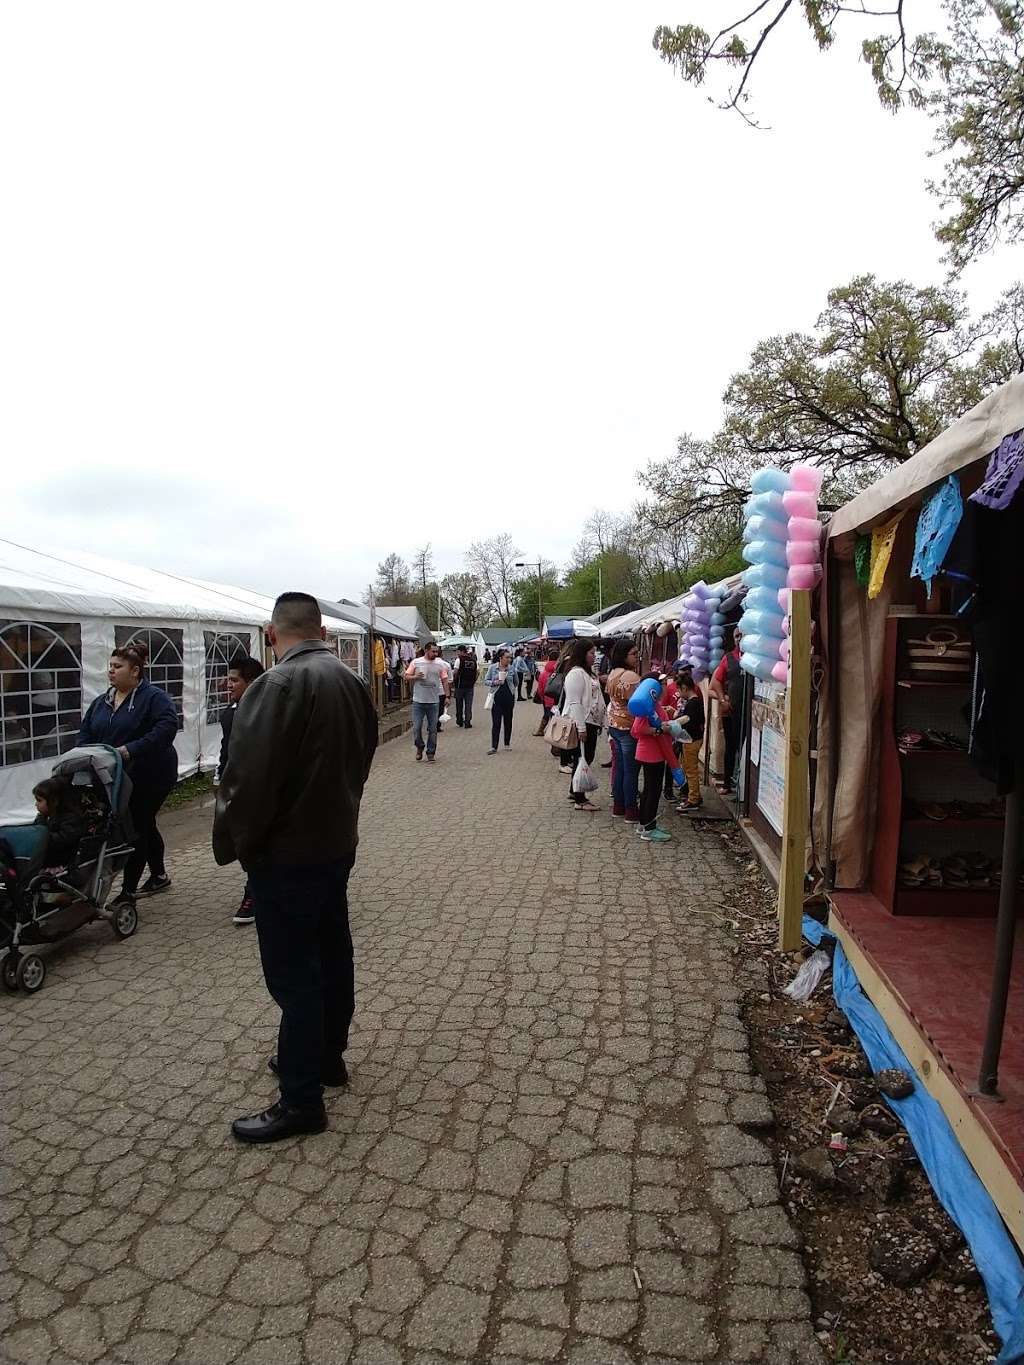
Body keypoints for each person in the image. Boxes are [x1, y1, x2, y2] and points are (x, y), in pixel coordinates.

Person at [213, 592, 378, 1143]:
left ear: (270, 632)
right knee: (333, 952)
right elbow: (364, 757)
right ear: (322, 629)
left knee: (295, 973)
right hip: (334, 841)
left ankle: (302, 1098)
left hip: (288, 853)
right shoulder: (350, 680)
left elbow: (247, 779)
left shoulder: (277, 684)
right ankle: (326, 1059)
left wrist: (243, 843)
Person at [78, 639, 178, 908]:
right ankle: (158, 875)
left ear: (135, 671)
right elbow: (86, 732)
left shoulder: (154, 698)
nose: (111, 671)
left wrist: (130, 750)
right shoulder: (102, 702)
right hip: (114, 775)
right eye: (110, 666)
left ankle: (128, 892)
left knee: (137, 826)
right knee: (144, 823)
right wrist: (83, 754)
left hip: (151, 774)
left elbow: (166, 728)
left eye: (117, 666)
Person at [219, 656, 266, 925]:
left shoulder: (268, 711)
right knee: (243, 841)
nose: (228, 684)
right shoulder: (231, 712)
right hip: (237, 787)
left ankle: (254, 892)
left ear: (251, 683)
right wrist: (221, 777)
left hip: (262, 787)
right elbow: (228, 749)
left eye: (234, 680)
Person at [561, 639, 603, 812]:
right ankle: (580, 797)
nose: (594, 656)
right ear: (582, 654)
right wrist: (581, 728)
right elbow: (574, 702)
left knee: (585, 757)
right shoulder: (576, 674)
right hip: (582, 721)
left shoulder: (588, 673)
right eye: (591, 653)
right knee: (583, 757)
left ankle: (574, 790)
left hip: (590, 721)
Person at [632, 684, 673, 843]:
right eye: (661, 684)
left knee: (649, 789)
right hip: (651, 754)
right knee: (653, 791)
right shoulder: (647, 706)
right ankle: (649, 828)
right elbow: (637, 729)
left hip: (653, 752)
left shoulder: (653, 705)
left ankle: (644, 824)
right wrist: (658, 730)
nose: (664, 687)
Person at [606, 639, 642, 822]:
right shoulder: (630, 677)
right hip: (628, 726)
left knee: (620, 767)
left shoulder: (613, 673)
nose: (637, 657)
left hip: (614, 725)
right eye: (634, 654)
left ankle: (618, 806)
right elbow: (640, 704)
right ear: (623, 655)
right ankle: (631, 809)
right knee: (630, 770)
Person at [710, 625, 744, 794]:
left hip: (750, 714)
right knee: (731, 747)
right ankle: (727, 783)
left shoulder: (756, 657)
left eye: (743, 635)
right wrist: (723, 699)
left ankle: (743, 786)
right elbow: (715, 682)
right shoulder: (728, 658)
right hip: (731, 712)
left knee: (745, 748)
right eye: (737, 635)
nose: (739, 638)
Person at [405, 642, 448, 762]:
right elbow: (406, 676)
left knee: (433, 729)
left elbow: (444, 680)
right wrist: (415, 677)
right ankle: (419, 746)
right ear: (426, 650)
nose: (435, 653)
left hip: (434, 701)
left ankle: (431, 752)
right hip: (418, 701)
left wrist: (447, 696)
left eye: (437, 651)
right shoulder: (416, 662)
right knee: (416, 727)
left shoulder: (440, 664)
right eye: (433, 651)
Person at [32, 776, 85, 867]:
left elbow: (63, 840)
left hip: (61, 864)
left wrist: (43, 836)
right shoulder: (44, 818)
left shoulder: (70, 818)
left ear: (54, 801)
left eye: (39, 800)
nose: (36, 804)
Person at [675, 671, 706, 811]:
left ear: (684, 688)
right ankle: (695, 796)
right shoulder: (697, 701)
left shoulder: (692, 704)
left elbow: (689, 722)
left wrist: (676, 722)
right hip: (695, 739)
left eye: (679, 689)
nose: (678, 693)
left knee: (690, 770)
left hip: (691, 740)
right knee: (690, 768)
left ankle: (693, 799)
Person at [485, 649, 516, 753]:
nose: (509, 659)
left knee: (508, 721)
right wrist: (495, 682)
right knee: (496, 722)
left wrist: (511, 690)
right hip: (496, 699)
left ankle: (507, 744)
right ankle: (494, 746)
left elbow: (516, 682)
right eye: (507, 657)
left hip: (509, 699)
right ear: (501, 658)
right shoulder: (493, 668)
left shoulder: (512, 669)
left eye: (510, 657)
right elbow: (486, 681)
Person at [533, 646, 560, 737]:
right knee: (556, 716)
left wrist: (542, 697)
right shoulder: (560, 672)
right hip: (559, 699)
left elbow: (540, 688)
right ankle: (554, 732)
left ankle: (542, 731)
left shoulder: (544, 673)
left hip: (546, 699)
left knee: (547, 714)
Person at [452, 645, 478, 729]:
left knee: (459, 704)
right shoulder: (473, 661)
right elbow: (477, 673)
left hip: (460, 685)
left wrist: (454, 680)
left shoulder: (459, 660)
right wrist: (474, 681)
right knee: (468, 704)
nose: (457, 653)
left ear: (461, 651)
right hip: (470, 686)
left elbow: (455, 672)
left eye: (457, 651)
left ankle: (459, 721)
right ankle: (467, 722)